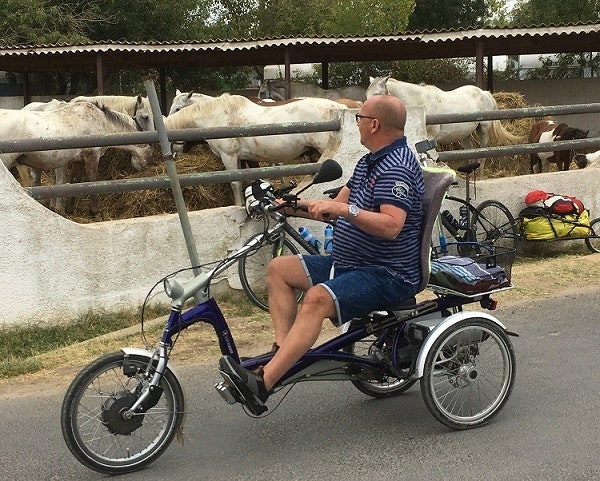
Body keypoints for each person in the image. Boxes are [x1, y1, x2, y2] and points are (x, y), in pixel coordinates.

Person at [219, 94, 425, 414]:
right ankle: (281, 352)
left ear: (374, 124)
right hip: (351, 263)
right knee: (279, 269)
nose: (356, 122)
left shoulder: (395, 168)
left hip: (386, 272)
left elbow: (391, 226)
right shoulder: (369, 161)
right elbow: (330, 212)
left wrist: (345, 208)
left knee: (316, 299)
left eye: (359, 117)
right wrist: (290, 207)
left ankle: (263, 385)